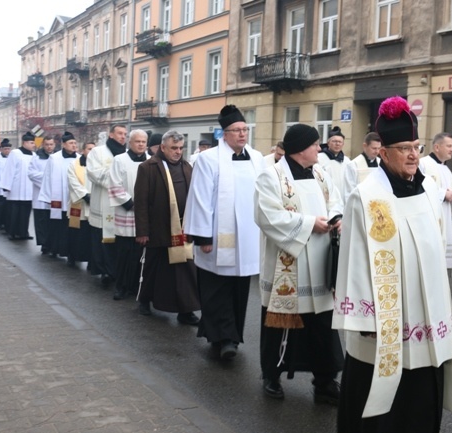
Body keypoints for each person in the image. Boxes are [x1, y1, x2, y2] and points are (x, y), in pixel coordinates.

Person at [332, 96, 452, 432]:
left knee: (419, 401)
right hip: (382, 325)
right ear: (383, 153)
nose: (414, 154)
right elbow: (354, 260)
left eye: (416, 146)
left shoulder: (429, 189)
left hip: (425, 317)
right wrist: (364, 319)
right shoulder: (366, 197)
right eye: (404, 147)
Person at [254, 123, 344, 403]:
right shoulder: (271, 177)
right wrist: (308, 224)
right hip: (289, 263)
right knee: (280, 324)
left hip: (319, 262)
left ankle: (325, 381)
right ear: (301, 149)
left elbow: (336, 201)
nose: (321, 148)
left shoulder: (320, 172)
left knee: (322, 326)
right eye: (316, 144)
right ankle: (272, 376)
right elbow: (266, 216)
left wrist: (337, 218)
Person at [183, 105, 264, 360]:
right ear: (224, 134)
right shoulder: (209, 159)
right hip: (218, 236)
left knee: (240, 289)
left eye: (244, 129)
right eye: (236, 130)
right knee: (217, 287)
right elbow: (200, 199)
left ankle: (232, 335)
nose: (242, 134)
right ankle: (223, 337)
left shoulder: (257, 158)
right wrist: (203, 236)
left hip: (248, 237)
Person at [134, 129, 201, 324]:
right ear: (163, 147)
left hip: (183, 228)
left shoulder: (187, 167)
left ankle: (186, 311)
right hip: (158, 228)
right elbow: (141, 202)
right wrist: (143, 231)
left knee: (185, 271)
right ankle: (145, 300)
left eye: (181, 148)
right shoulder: (149, 167)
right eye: (174, 148)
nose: (178, 152)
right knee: (154, 268)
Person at [108, 129, 148, 300]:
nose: (140, 144)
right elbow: (114, 184)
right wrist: (131, 204)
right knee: (124, 253)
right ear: (129, 143)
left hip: (145, 216)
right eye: (137, 141)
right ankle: (121, 286)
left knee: (140, 255)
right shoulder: (119, 160)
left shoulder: (152, 161)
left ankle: (135, 286)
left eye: (143, 142)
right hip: (127, 213)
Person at [88, 124, 127, 284]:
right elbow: (93, 173)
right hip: (103, 201)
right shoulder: (98, 151)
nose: (123, 136)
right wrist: (117, 177)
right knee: (102, 240)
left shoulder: (128, 154)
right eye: (119, 133)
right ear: (111, 135)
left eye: (125, 134)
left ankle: (118, 271)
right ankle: (104, 270)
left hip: (121, 203)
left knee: (119, 239)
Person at [420, 132, 452, 270]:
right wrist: (444, 194)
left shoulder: (446, 170)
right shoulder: (423, 164)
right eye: (449, 146)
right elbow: (419, 188)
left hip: (445, 219)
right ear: (437, 147)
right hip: (429, 221)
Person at [39, 132, 79, 259]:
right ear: (63, 144)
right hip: (59, 197)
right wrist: (47, 197)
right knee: (57, 225)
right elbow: (47, 178)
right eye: (71, 143)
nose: (74, 146)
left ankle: (71, 251)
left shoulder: (79, 158)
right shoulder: (54, 158)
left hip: (73, 198)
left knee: (72, 225)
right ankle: (55, 248)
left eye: (75, 143)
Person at [0, 132, 35, 240]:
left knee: (26, 212)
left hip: (29, 187)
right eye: (31, 142)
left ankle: (24, 232)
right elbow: (9, 170)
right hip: (16, 187)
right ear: (24, 143)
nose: (33, 145)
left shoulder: (34, 155)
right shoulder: (15, 153)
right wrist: (6, 185)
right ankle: (13, 232)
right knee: (14, 212)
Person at [67, 141, 96, 269]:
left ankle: (91, 260)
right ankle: (72, 256)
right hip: (79, 202)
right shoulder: (74, 164)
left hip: (94, 204)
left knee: (91, 234)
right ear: (83, 150)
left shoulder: (98, 165)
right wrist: (85, 195)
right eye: (89, 149)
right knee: (76, 232)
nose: (91, 152)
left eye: (94, 150)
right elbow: (72, 182)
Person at [28, 136, 56, 254]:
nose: (49, 147)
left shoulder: (57, 158)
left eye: (51, 144)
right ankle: (44, 244)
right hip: (40, 195)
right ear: (43, 145)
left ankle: (53, 245)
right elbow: (31, 174)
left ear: (54, 145)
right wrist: (47, 179)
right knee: (41, 222)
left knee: (52, 223)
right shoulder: (36, 158)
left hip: (55, 195)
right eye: (47, 144)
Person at [342, 132, 382, 197]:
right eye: (374, 148)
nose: (377, 151)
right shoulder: (353, 165)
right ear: (365, 146)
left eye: (379, 148)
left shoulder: (381, 163)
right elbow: (349, 192)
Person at [317, 126, 350, 198]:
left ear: (343, 144)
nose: (337, 144)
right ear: (328, 143)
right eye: (334, 141)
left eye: (340, 142)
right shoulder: (319, 158)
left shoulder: (347, 161)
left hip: (343, 197)